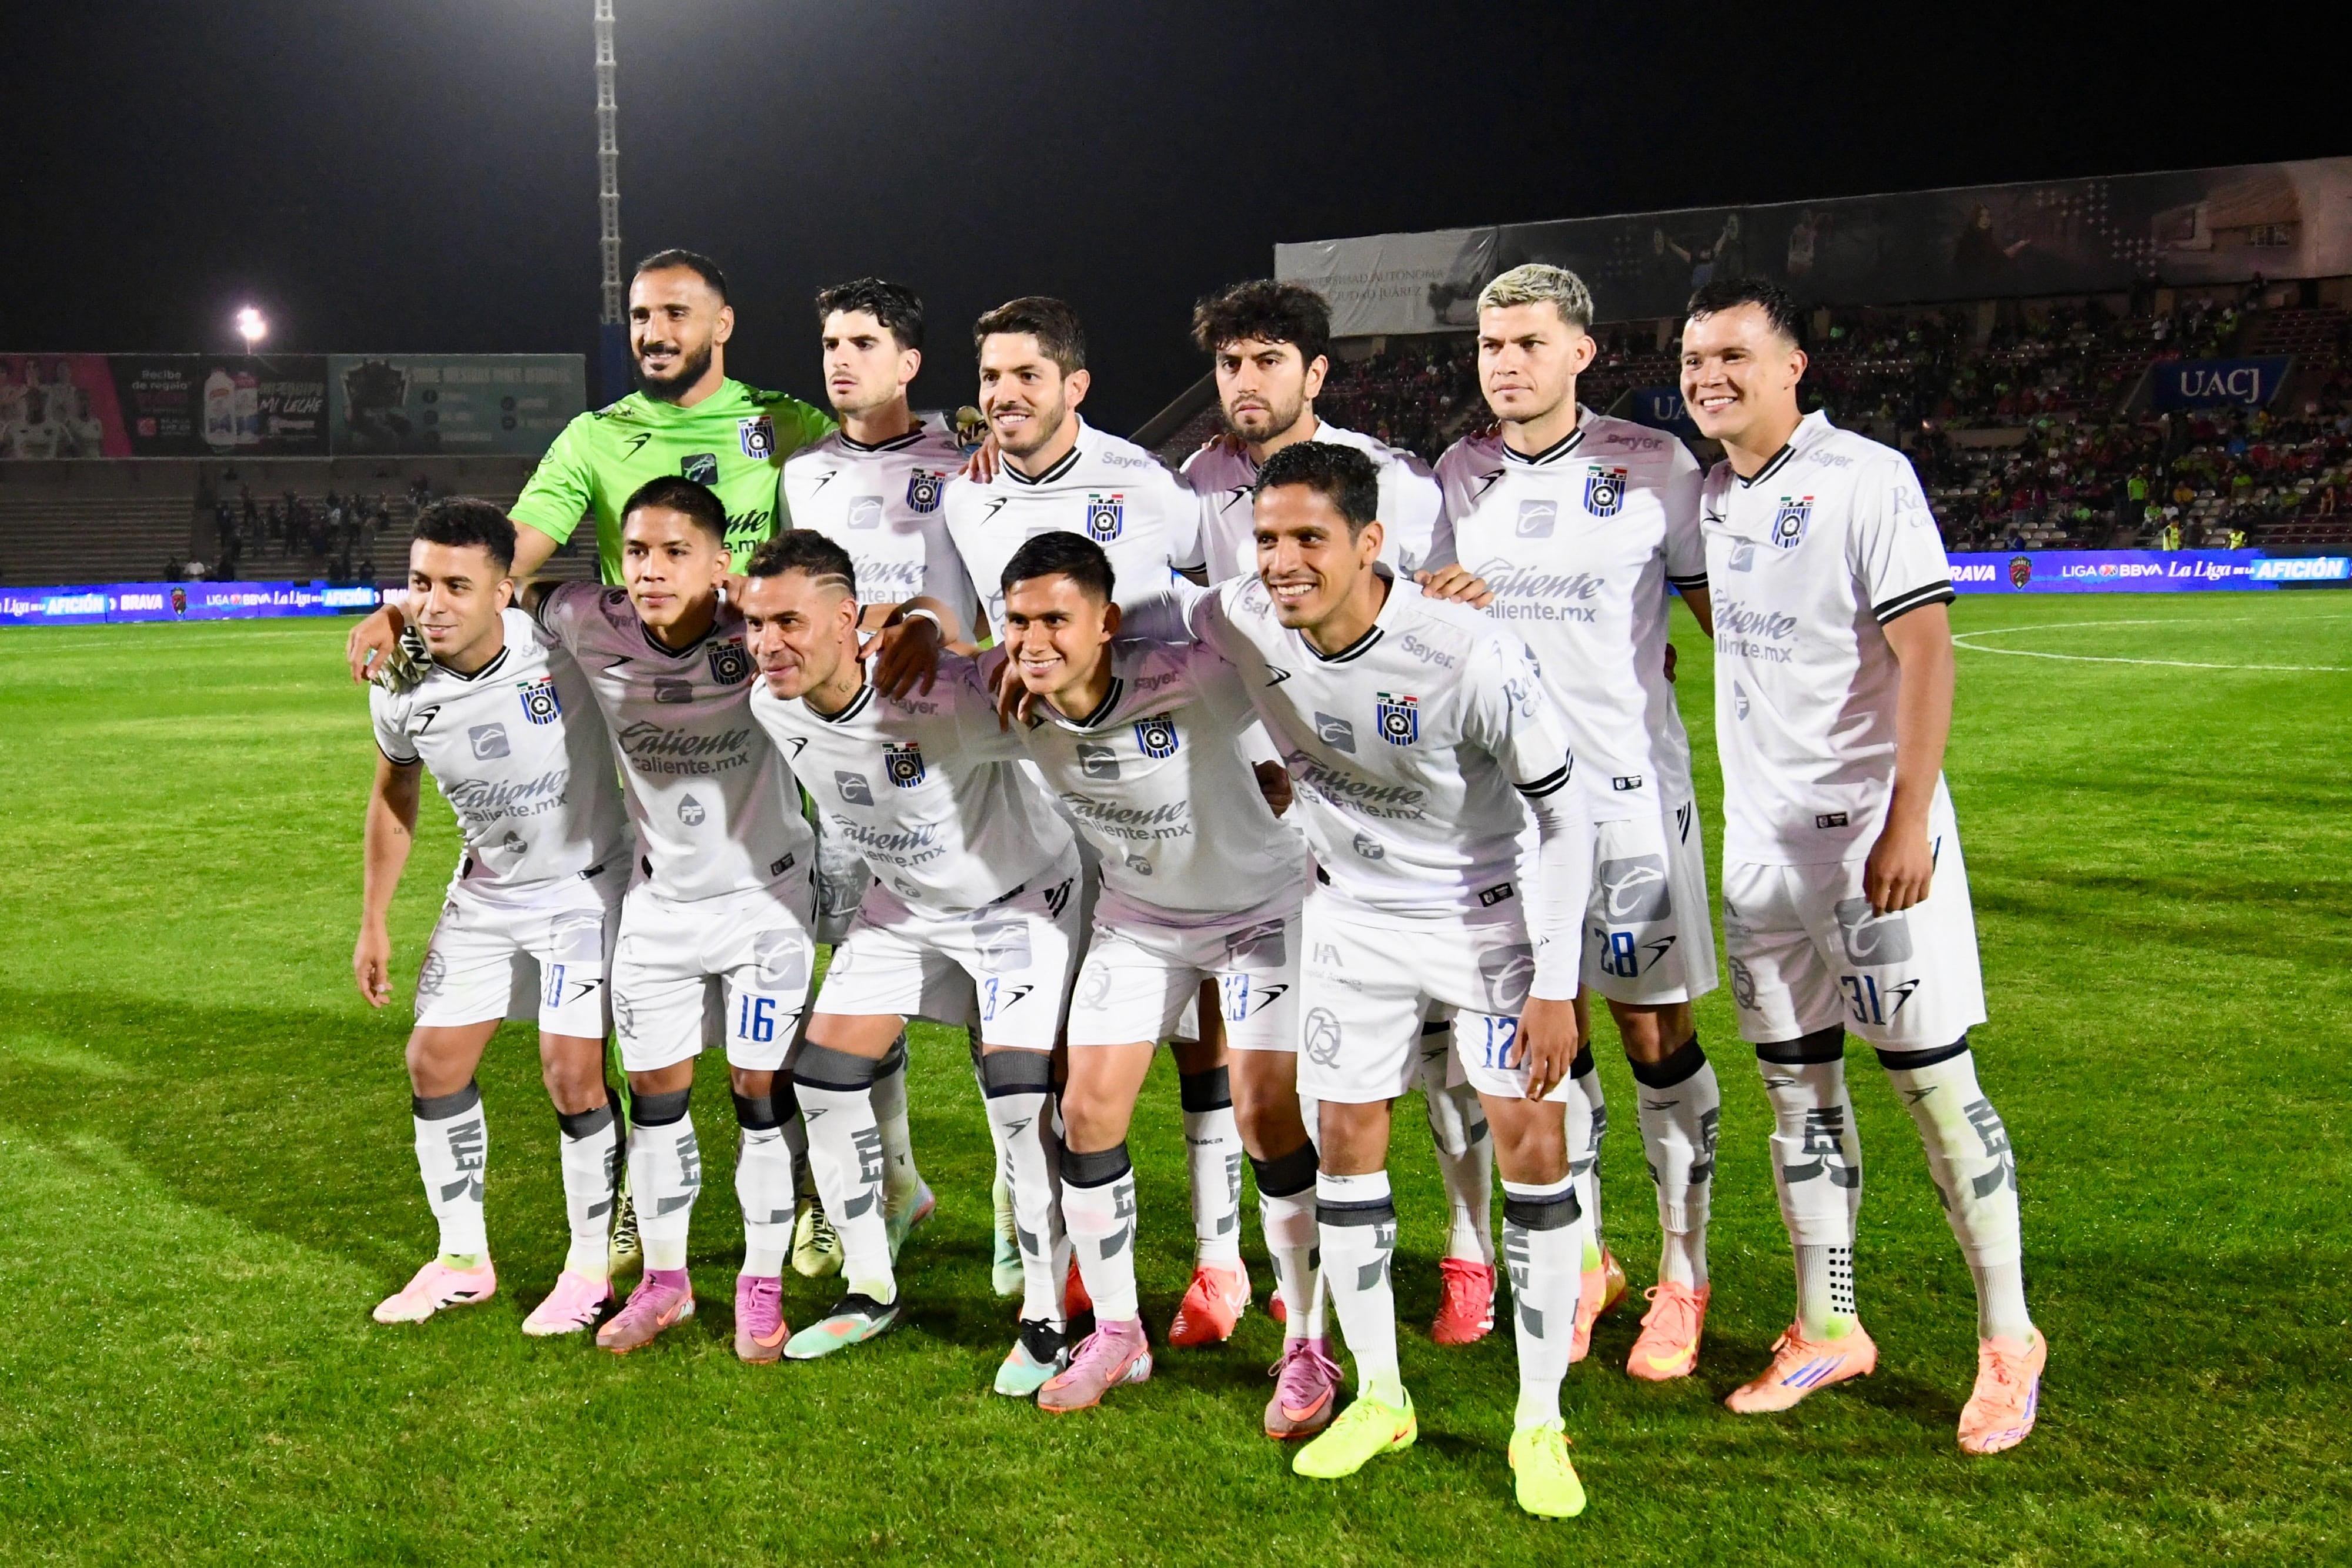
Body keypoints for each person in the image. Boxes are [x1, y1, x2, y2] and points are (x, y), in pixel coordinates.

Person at [1186, 441, 1597, 1519]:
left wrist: (1555, 983)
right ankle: (1380, 1396)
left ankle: (1539, 1419)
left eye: (1308, 538)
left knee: (1533, 1143)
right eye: (1267, 537)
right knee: (1350, 1141)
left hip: (1485, 921)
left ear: (1371, 543)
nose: (1280, 561)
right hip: (1350, 922)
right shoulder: (1240, 613)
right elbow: (1132, 626)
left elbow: (1565, 813)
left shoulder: (1464, 649)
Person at [1678, 278, 2043, 1455]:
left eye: (1732, 353)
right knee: (1797, 1095)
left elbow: (1924, 650)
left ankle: (2007, 1336)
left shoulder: (1863, 478)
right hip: (1761, 851)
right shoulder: (1710, 497)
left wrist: (1904, 818)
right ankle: (1826, 1320)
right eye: (1691, 359)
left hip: (1870, 845)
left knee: (1933, 1089)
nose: (1706, 375)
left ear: (1793, 367)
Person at [1180, 278, 1498, 1347]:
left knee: (1446, 1057)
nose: (1245, 381)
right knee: (1304, 1046)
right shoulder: (1197, 485)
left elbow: (1444, 609)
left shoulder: (1389, 483)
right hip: (1269, 812)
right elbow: (1207, 641)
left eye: (1268, 360)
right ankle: (1310, 1262)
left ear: (1315, 373)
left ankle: (1469, 1251)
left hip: (1397, 814)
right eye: (1230, 362)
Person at [1425, 263, 1723, 1382]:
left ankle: (1682, 1275)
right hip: (1509, 814)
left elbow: (1711, 613)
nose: (1505, 363)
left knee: (1658, 1036)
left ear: (1582, 352)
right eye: (1492, 346)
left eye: (1529, 343)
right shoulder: (1459, 475)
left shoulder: (1656, 466)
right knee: (1557, 1042)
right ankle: (1588, 1258)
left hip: (1631, 800)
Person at [943, 296, 1250, 1327]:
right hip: (1033, 801)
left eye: (1026, 375)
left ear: (1075, 385)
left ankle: (1220, 1253)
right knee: (1052, 1029)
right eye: (989, 377)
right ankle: (1050, 1233)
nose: (1003, 395)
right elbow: (959, 627)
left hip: (1164, 787)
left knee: (1201, 1028)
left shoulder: (1149, 485)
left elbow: (1215, 621)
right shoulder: (964, 499)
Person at [523, 477, 879, 1359]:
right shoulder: (585, 617)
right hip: (660, 906)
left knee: (759, 1090)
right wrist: (395, 617)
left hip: (765, 901)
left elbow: (848, 632)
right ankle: (667, 1284)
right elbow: (508, 587)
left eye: (676, 551)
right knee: (655, 1097)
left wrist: (909, 621)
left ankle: (759, 1287)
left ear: (721, 566)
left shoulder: (758, 633)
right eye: (637, 551)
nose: (651, 570)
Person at [994, 530, 1328, 1428]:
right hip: (1141, 925)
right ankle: (1117, 1332)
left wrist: (1278, 767)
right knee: (1085, 1112)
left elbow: (1285, 643)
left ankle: (1308, 1339)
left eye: (1056, 619)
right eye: (1018, 620)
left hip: (1262, 914)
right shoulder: (1010, 702)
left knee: (1266, 1116)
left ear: (1107, 622)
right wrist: (909, 616)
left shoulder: (1189, 681)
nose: (1033, 640)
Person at [736, 530, 1083, 1394]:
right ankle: (870, 1284)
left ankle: (1047, 1314)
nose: (768, 643)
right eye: (754, 623)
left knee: (1018, 1102)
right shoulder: (771, 704)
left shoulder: (945, 695)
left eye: (789, 620)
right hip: (905, 908)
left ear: (849, 619)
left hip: (1018, 899)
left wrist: (935, 620)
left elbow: (1056, 684)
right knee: (820, 1076)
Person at [355, 499, 631, 1336]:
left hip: (584, 884)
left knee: (571, 1069)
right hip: (487, 889)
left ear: (505, 591)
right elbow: (394, 795)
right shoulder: (399, 685)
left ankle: (589, 1266)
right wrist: (373, 919)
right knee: (433, 1060)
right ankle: (463, 1259)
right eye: (418, 583)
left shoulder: (559, 645)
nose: (432, 603)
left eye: (455, 586)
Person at [344, 248, 837, 680]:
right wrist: (406, 609)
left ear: (722, 324)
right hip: (650, 680)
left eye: (676, 314)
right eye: (640, 316)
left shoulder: (789, 421)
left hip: (765, 670)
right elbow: (509, 556)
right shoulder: (594, 436)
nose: (653, 334)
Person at [775, 275, 970, 1274]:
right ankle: (896, 1182)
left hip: (965, 764)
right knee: (860, 968)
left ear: (911, 361)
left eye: (863, 340)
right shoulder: (804, 476)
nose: (840, 359)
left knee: (995, 1000)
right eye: (830, 343)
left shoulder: (970, 458)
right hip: (853, 773)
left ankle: (1030, 1229)